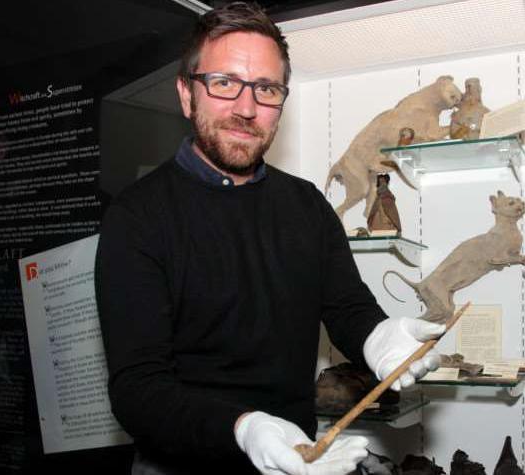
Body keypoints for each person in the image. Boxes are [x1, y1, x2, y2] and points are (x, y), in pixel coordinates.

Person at [94, 3, 444, 474]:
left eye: (266, 89)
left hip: (298, 460)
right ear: (186, 94)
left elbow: (346, 307)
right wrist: (243, 427)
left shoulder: (307, 206)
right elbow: (137, 389)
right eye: (224, 83)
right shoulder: (137, 216)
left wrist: (378, 334)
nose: (246, 108)